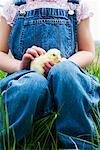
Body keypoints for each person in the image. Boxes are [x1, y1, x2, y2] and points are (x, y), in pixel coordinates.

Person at [0, 0, 100, 149]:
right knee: (33, 82)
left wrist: (65, 62)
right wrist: (20, 66)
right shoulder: (15, 7)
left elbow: (87, 51)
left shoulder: (75, 5)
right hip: (26, 76)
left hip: (66, 83)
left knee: (65, 72)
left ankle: (79, 143)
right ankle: (8, 141)